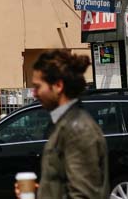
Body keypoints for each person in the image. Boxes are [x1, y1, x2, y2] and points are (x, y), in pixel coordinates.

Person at [16, 50, 107, 199]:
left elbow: (83, 195)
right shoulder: (64, 123)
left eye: (38, 86)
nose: (34, 93)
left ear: (58, 86)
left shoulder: (77, 129)